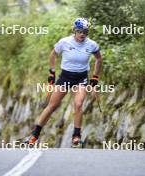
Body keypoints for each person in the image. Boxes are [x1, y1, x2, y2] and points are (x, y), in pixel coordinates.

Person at [24, 18, 102, 148]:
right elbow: (53, 54)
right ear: (74, 30)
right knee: (52, 106)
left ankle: (76, 137)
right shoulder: (64, 42)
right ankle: (34, 136)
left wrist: (95, 78)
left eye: (86, 32)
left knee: (78, 104)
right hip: (65, 77)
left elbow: (99, 59)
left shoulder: (92, 45)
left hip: (81, 79)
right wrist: (52, 72)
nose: (82, 34)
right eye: (80, 31)